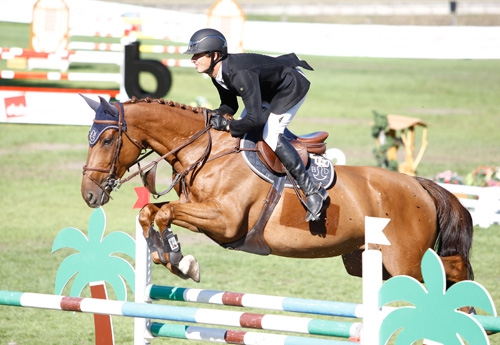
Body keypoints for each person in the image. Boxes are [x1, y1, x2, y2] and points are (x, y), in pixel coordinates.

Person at [183, 28, 328, 222]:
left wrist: (227, 126)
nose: (193, 59)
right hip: (267, 90)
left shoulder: (238, 74)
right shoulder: (216, 72)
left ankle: (312, 192)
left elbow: (256, 119)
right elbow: (230, 105)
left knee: (271, 134)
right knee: (246, 134)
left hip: (290, 87)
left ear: (214, 55)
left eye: (198, 54)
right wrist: (210, 116)